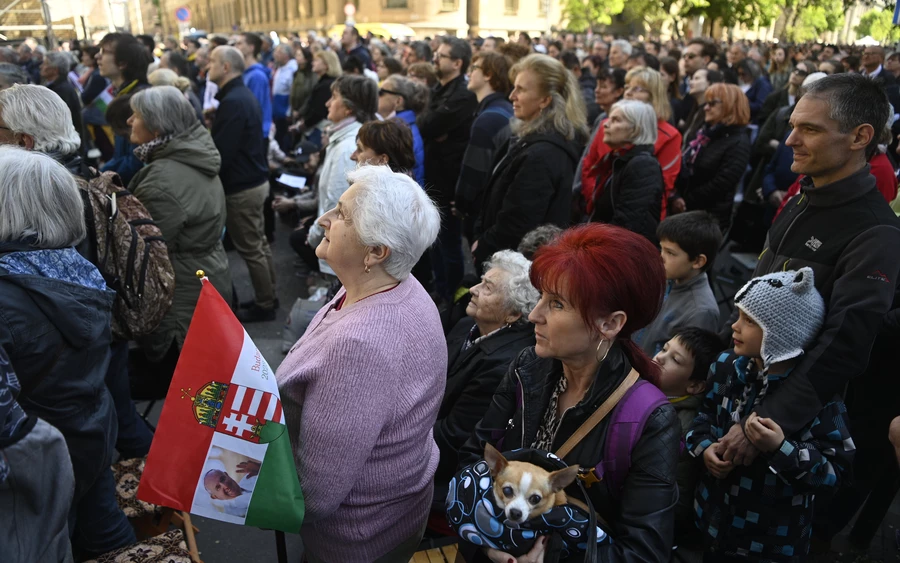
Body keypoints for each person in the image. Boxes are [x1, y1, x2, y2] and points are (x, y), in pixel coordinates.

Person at [712, 74, 900, 551]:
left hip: (797, 439)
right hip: (740, 407)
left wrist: (763, 424)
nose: (790, 138)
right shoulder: (803, 196)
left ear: (860, 137)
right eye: (793, 125)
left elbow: (844, 344)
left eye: (810, 129)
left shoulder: (875, 231)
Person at [457, 223, 680, 562]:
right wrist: (489, 542)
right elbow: (475, 457)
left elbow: (643, 553)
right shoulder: (527, 366)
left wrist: (550, 557)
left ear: (610, 324)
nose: (534, 314)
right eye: (541, 297)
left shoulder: (650, 418)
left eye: (557, 304)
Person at [276, 165, 443, 562]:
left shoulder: (360, 345)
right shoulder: (400, 284)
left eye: (341, 214)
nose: (324, 219)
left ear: (375, 252)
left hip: (355, 540)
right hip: (392, 516)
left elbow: (315, 496)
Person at [0, 146, 135, 557]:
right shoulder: (74, 268)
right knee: (101, 530)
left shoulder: (9, 293)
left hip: (39, 464)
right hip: (87, 432)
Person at [688, 268, 853, 561]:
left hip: (771, 544)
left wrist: (781, 449)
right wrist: (703, 449)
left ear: (782, 333)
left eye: (749, 320)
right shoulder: (726, 366)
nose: (735, 327)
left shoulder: (818, 399)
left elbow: (833, 475)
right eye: (738, 315)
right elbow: (703, 416)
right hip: (711, 522)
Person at [126, 86, 232, 392]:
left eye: (136, 116)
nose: (130, 121)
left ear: (157, 127)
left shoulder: (163, 180)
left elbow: (146, 253)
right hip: (203, 282)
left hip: (181, 304)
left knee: (186, 398)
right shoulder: (187, 157)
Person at [435, 250, 538, 490]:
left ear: (513, 313)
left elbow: (452, 438)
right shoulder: (466, 325)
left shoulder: (502, 365)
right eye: (481, 281)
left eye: (487, 288)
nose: (473, 289)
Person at [472, 54, 587, 268]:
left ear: (545, 100)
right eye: (514, 87)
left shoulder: (544, 154)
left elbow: (517, 223)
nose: (512, 96)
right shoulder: (529, 140)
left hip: (516, 266)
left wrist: (484, 245)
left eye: (521, 90)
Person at [207, 46, 277, 323]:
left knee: (251, 247)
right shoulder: (237, 96)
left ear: (226, 67)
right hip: (252, 181)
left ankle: (265, 303)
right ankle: (269, 294)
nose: (206, 66)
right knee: (258, 244)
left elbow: (222, 152)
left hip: (243, 186)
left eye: (212, 61)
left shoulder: (234, 100)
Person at [419, 36, 478, 300]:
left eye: (441, 56)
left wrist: (434, 130)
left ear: (457, 63)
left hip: (449, 182)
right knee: (434, 243)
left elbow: (429, 125)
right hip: (433, 177)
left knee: (448, 245)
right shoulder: (439, 90)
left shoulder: (463, 95)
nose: (435, 58)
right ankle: (440, 293)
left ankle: (451, 300)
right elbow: (426, 123)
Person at [582, 66, 683, 220]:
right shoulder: (607, 124)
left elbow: (662, 186)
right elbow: (589, 167)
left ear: (654, 96)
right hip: (598, 214)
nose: (628, 93)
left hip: (636, 216)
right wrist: (596, 200)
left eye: (638, 89)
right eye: (627, 87)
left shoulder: (669, 135)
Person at [651, 327, 721, 542]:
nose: (660, 358)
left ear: (694, 386)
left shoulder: (683, 426)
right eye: (664, 349)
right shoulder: (655, 395)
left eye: (676, 360)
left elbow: (679, 488)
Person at [305, 75, 377, 277]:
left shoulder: (348, 147)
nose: (327, 103)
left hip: (339, 247)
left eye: (334, 97)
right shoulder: (344, 139)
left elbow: (336, 202)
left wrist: (315, 235)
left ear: (349, 109)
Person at [639, 210, 721, 358]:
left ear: (697, 261)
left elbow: (686, 367)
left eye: (670, 253)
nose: (660, 258)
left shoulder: (700, 311)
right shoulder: (666, 279)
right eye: (661, 249)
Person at [673, 83, 751, 231]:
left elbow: (722, 183)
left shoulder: (738, 142)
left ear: (730, 106)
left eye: (712, 103)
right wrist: (677, 195)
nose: (706, 108)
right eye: (706, 103)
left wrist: (686, 200)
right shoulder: (706, 133)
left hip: (707, 219)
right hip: (687, 210)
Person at [589, 99, 664, 244]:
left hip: (623, 253)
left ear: (635, 129)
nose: (606, 124)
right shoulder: (617, 159)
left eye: (616, 120)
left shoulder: (643, 165)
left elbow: (627, 223)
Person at [454, 51, 513, 235]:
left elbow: (475, 171)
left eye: (474, 68)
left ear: (488, 74)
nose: (469, 73)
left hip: (482, 212)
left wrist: (461, 203)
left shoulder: (489, 119)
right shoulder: (499, 110)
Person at [98, 33, 151, 185]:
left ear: (122, 63)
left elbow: (135, 161)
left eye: (104, 52)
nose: (97, 57)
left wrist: (101, 175)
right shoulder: (124, 94)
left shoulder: (138, 100)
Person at [375, 75, 427, 185]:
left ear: (398, 101)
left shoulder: (397, 133)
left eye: (381, 92)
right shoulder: (398, 128)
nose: (377, 95)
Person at [41, 52, 84, 150]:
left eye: (45, 64)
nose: (41, 66)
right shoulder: (53, 87)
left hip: (66, 146)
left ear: (55, 70)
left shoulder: (61, 91)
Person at [300, 50, 341, 148]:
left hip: (319, 128)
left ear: (326, 64)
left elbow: (318, 111)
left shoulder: (326, 85)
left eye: (316, 60)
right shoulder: (323, 82)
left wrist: (304, 124)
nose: (312, 63)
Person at [235, 32, 273, 138]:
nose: (236, 47)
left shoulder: (257, 76)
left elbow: (255, 109)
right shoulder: (244, 72)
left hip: (257, 133)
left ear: (251, 48)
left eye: (240, 44)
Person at [680, 68, 724, 146]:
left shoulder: (712, 113)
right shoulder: (694, 109)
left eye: (697, 78)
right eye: (691, 79)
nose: (691, 82)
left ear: (709, 83)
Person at [271, 43, 298, 152]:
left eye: (278, 52)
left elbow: (292, 91)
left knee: (284, 134)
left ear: (286, 56)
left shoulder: (292, 69)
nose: (275, 55)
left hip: (284, 106)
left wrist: (289, 110)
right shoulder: (280, 67)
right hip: (277, 105)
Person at [737, 59, 773, 124]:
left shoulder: (762, 84)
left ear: (751, 72)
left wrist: (740, 103)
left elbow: (760, 106)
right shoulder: (748, 84)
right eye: (739, 74)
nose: (741, 77)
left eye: (743, 74)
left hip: (757, 122)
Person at [290, 45, 315, 123]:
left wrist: (300, 111)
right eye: (296, 55)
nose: (296, 57)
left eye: (299, 55)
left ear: (306, 59)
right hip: (295, 110)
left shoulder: (312, 75)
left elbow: (311, 94)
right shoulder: (296, 73)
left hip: (305, 111)